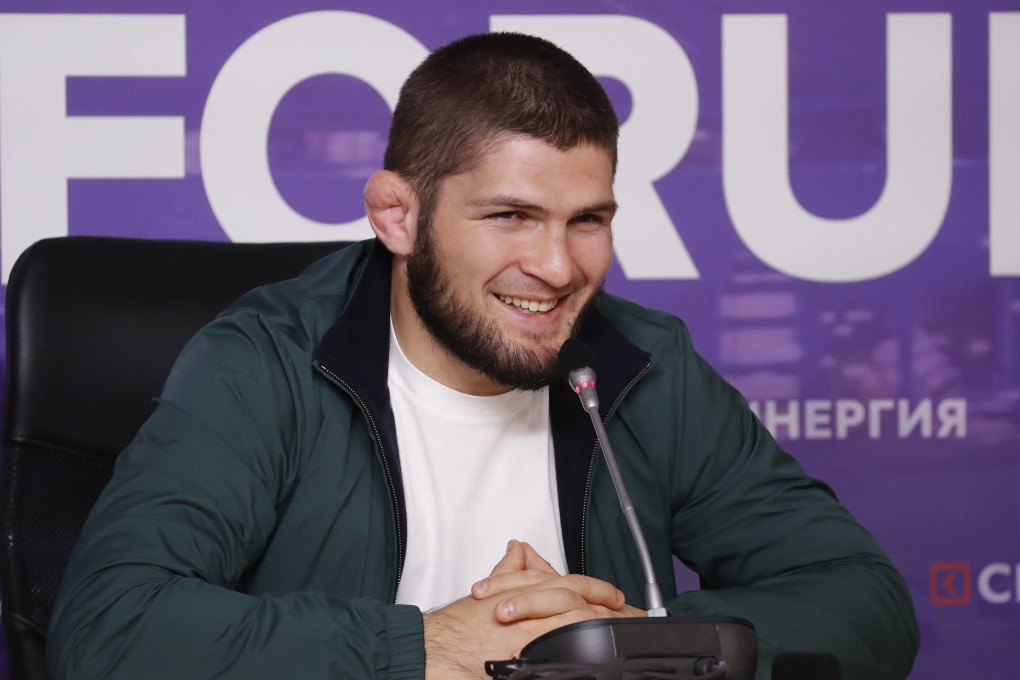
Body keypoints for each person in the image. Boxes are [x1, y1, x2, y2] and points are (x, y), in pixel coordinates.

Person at [48, 32, 919, 680]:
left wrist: (611, 650)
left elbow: (863, 601)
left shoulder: (644, 364)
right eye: (510, 217)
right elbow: (111, 626)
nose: (556, 267)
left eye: (589, 220)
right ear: (398, 216)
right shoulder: (265, 360)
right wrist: (431, 646)